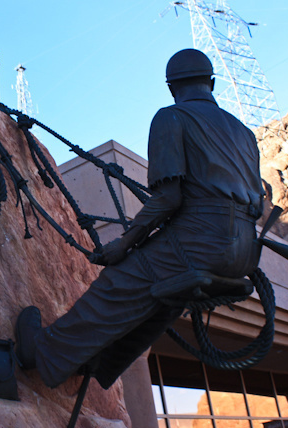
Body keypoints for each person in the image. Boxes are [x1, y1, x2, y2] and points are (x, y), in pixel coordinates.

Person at [15, 48, 264, 390]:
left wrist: (125, 243)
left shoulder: (171, 117)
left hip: (202, 241)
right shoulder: (246, 135)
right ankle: (95, 358)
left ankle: (41, 353)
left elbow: (168, 197)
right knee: (164, 294)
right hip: (245, 253)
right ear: (213, 83)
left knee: (118, 281)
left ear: (171, 88)